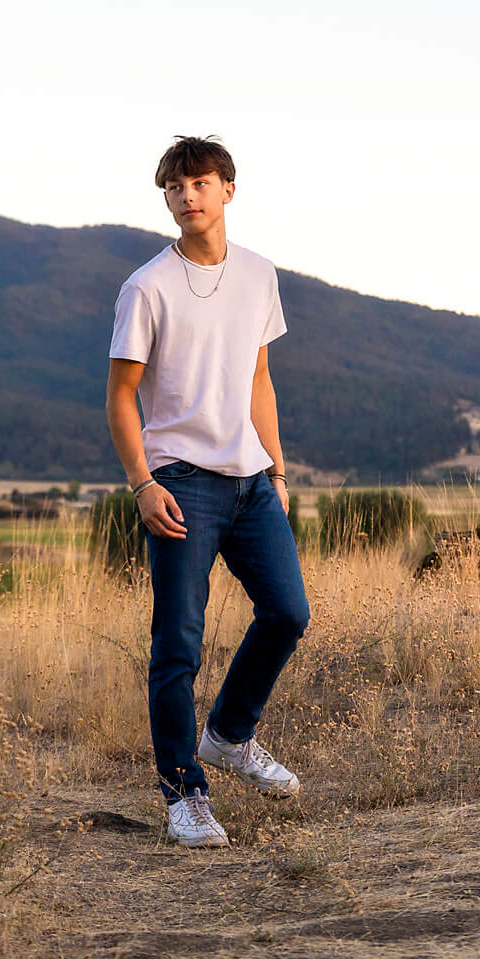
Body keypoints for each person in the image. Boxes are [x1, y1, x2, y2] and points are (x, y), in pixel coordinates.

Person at [106, 135, 311, 848]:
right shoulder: (147, 287)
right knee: (178, 646)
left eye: (199, 183)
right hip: (181, 484)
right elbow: (121, 396)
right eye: (174, 188)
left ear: (227, 190)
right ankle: (184, 795)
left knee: (287, 612)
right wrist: (142, 484)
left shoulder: (258, 276)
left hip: (252, 482)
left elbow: (259, 379)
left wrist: (278, 472)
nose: (187, 197)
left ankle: (228, 734)